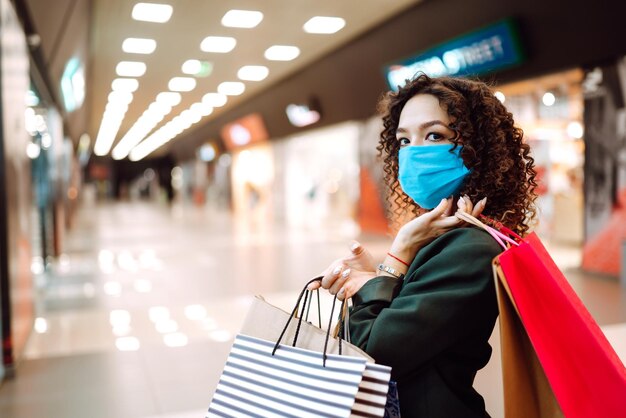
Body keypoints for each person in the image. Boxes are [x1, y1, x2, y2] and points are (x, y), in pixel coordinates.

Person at [310, 74, 537, 417]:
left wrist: (395, 258)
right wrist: (376, 277)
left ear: (479, 150)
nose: (413, 151)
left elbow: (371, 356)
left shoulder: (471, 247)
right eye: (403, 140)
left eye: (435, 135)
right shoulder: (442, 237)